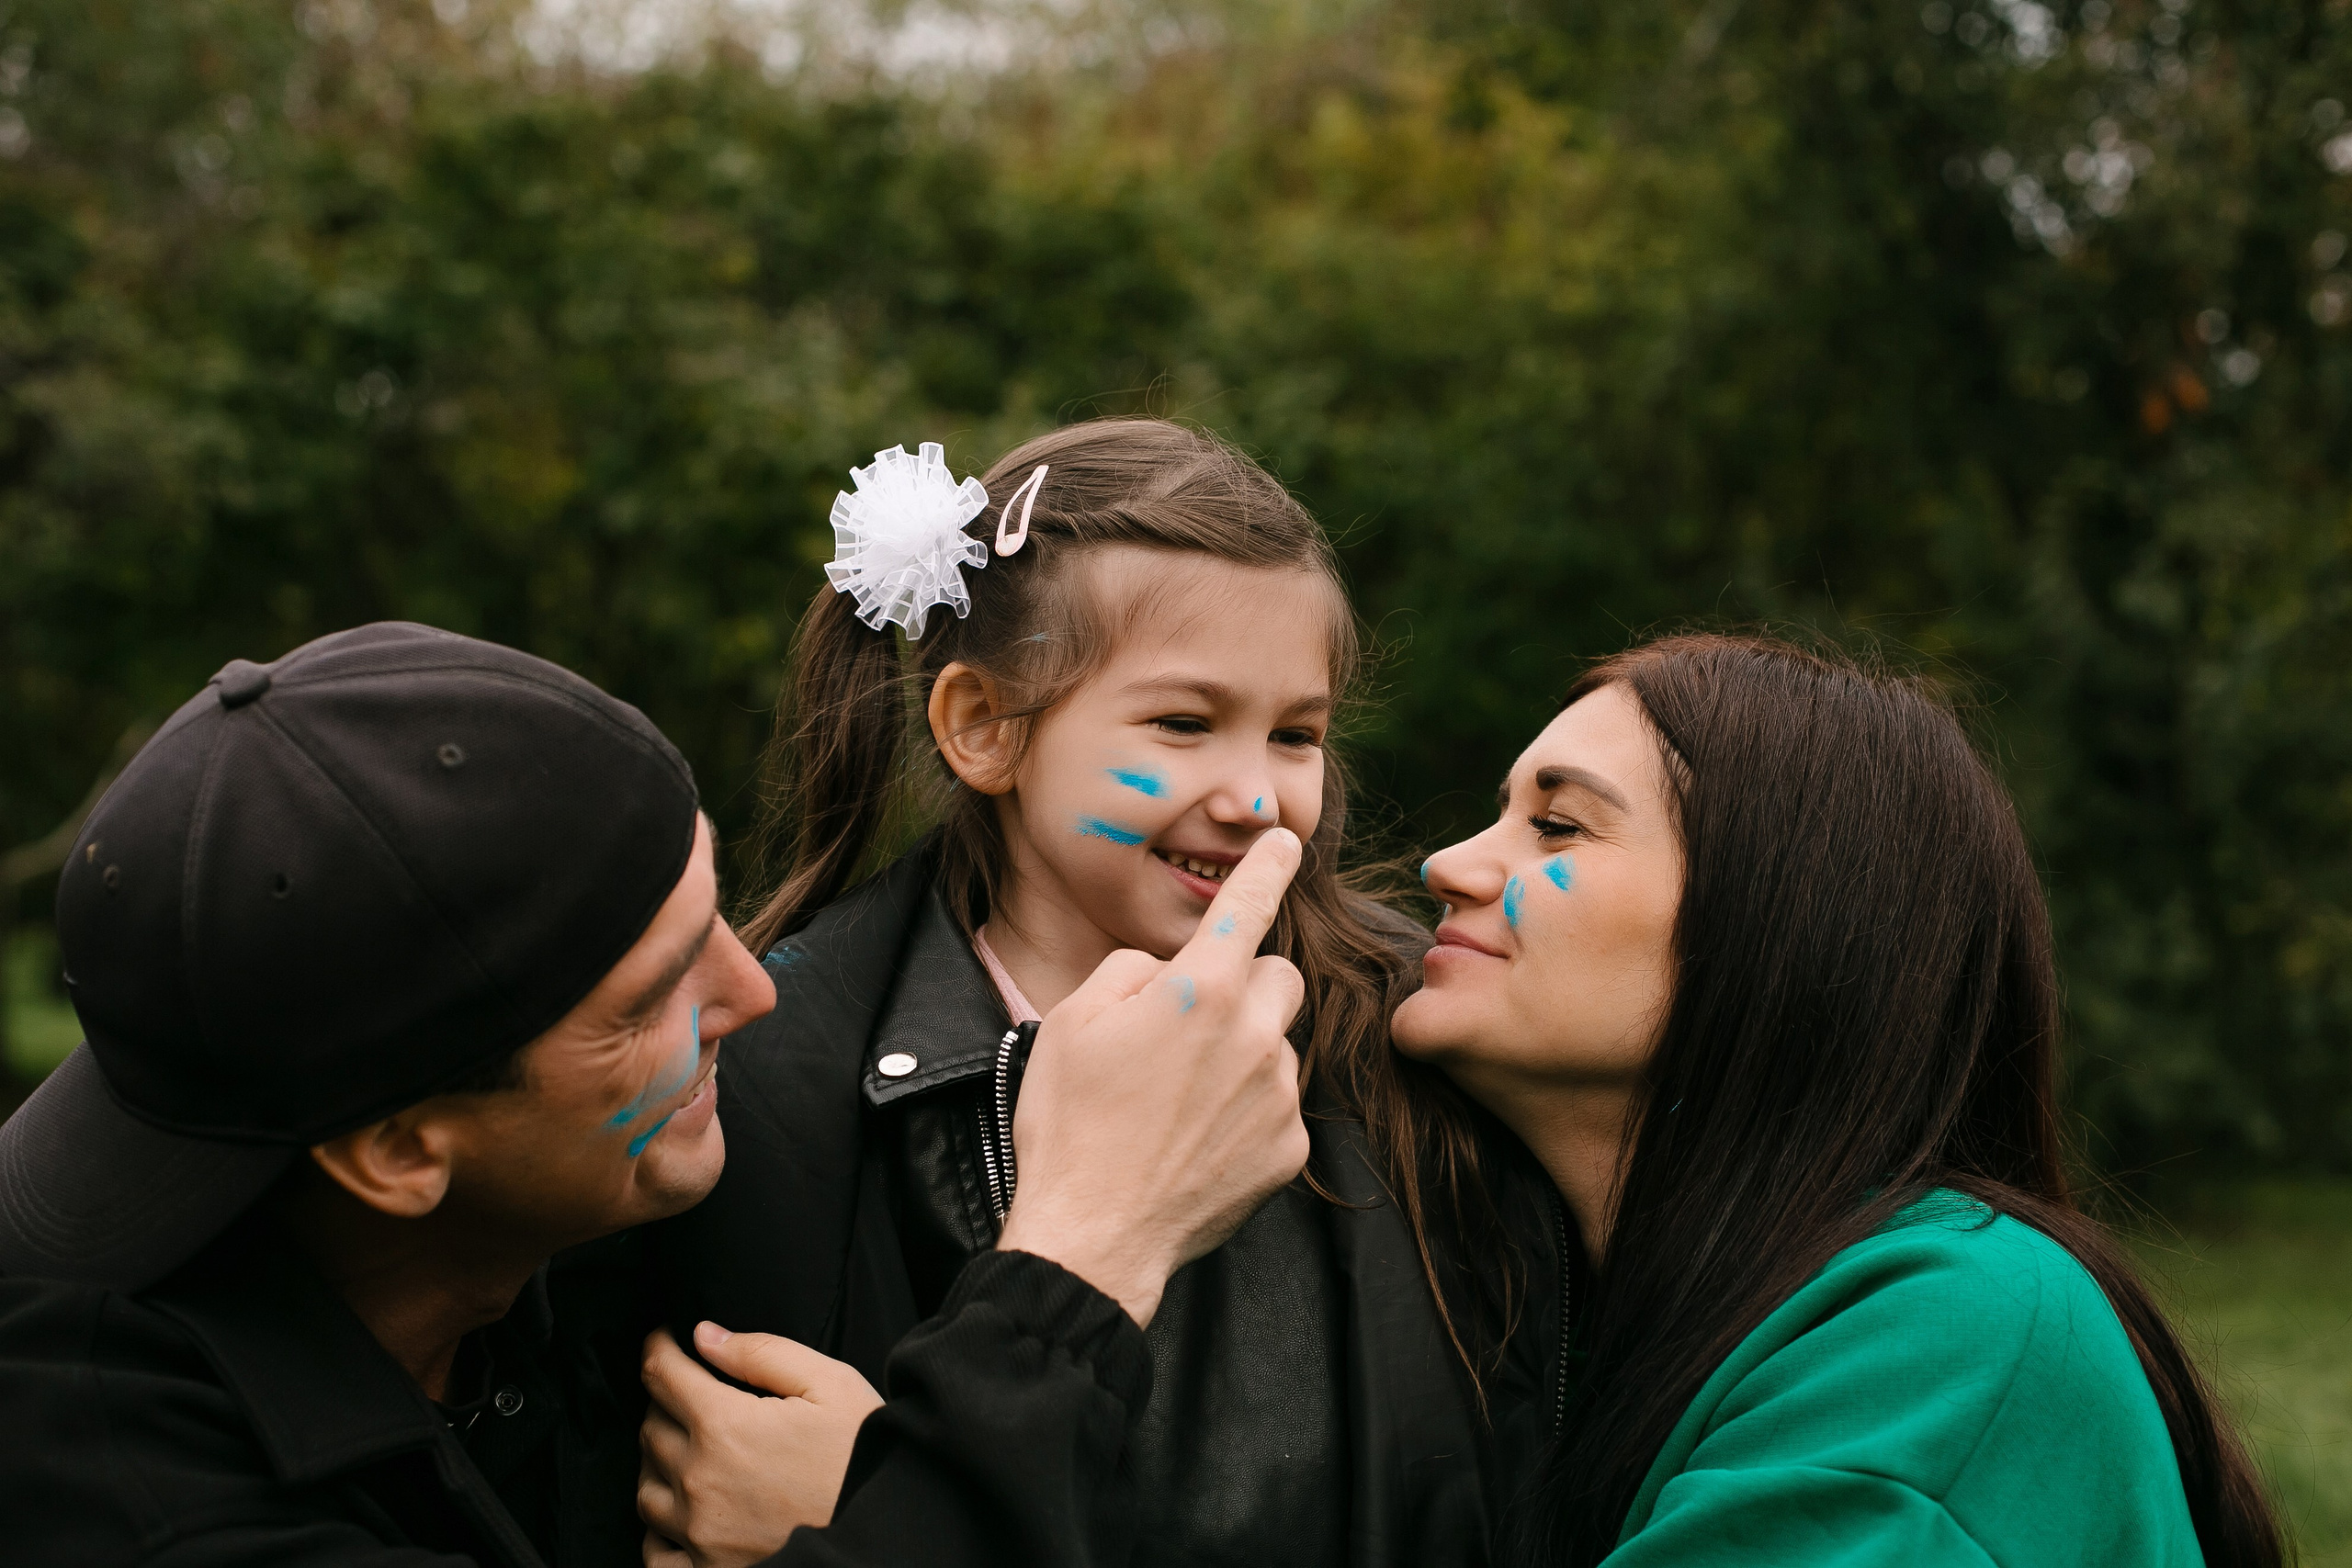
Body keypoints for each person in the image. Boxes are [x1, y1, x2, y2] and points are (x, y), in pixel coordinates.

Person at [0, 620, 1318, 1568]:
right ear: (401, 1150)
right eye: (648, 999)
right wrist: (1083, 1258)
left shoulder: (561, 1264)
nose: (755, 993)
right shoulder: (112, 1486)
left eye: (712, 911)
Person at [628, 422, 1563, 1568]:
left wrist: (883, 1504)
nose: (1255, 797)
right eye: (1183, 724)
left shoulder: (1407, 1039)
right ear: (982, 728)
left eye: (1295, 735)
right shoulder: (774, 1086)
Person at [1389, 633, 2284, 1566]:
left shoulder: (1953, 1333)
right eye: (1501, 814)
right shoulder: (1545, 1306)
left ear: (1778, 918)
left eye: (1557, 825)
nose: (1445, 865)